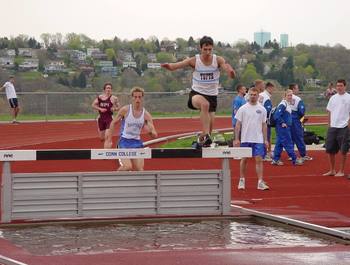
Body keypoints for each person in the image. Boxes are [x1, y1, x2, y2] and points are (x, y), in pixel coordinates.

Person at [161, 36, 235, 147]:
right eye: (205, 49)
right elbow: (179, 65)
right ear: (200, 48)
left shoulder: (218, 60)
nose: (207, 52)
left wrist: (231, 72)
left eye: (210, 49)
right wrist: (169, 66)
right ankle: (205, 135)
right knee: (204, 104)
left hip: (212, 96)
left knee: (208, 134)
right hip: (197, 94)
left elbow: (227, 70)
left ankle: (201, 139)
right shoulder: (195, 60)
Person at [105, 86, 158, 171]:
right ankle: (115, 179)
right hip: (124, 142)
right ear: (132, 98)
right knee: (127, 167)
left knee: (140, 170)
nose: (137, 99)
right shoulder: (125, 110)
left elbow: (155, 135)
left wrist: (150, 132)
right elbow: (113, 123)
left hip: (137, 143)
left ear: (142, 98)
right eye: (135, 97)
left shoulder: (146, 115)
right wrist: (109, 140)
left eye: (139, 97)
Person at [233, 87, 270, 190]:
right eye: (251, 95)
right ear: (248, 95)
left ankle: (260, 182)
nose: (253, 97)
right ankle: (241, 180)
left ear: (258, 96)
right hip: (246, 138)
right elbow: (238, 124)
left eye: (255, 95)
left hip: (257, 139)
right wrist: (236, 139)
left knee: (259, 159)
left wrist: (265, 139)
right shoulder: (243, 108)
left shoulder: (262, 109)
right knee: (244, 159)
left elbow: (264, 125)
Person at [323, 79, 350, 177]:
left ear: (345, 86)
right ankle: (332, 170)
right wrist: (329, 124)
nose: (339, 87)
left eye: (341, 85)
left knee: (343, 150)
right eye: (338, 86)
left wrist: (348, 123)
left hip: (344, 126)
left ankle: (341, 171)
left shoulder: (348, 98)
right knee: (330, 149)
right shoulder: (333, 98)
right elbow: (329, 111)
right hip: (333, 126)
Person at [271, 89, 304, 166]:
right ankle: (294, 159)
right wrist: (282, 122)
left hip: (284, 127)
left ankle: (276, 159)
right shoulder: (283, 104)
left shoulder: (286, 104)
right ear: (284, 96)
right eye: (288, 95)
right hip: (283, 128)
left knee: (279, 144)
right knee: (288, 143)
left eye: (291, 95)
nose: (290, 97)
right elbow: (276, 115)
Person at [289, 83, 313, 161]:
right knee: (299, 137)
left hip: (287, 120)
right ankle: (303, 155)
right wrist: (302, 121)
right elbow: (302, 112)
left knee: (290, 138)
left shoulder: (285, 98)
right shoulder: (298, 99)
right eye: (297, 88)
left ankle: (291, 154)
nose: (298, 90)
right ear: (293, 89)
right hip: (295, 120)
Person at [259, 81, 274, 161]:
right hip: (264, 121)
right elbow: (268, 110)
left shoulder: (260, 95)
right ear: (269, 88)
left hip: (257, 119)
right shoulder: (266, 97)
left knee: (259, 137)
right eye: (272, 89)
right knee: (266, 137)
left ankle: (260, 154)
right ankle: (264, 155)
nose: (273, 91)